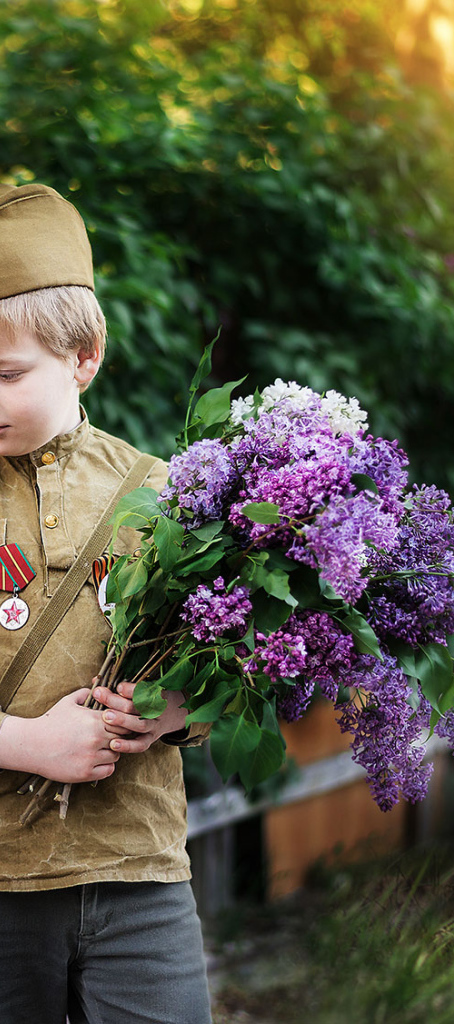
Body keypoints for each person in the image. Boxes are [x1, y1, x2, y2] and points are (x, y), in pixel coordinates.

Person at [0, 183, 212, 1024]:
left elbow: (223, 669)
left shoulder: (165, 494)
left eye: (8, 374)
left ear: (84, 356)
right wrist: (30, 743)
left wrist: (171, 714)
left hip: (141, 877)